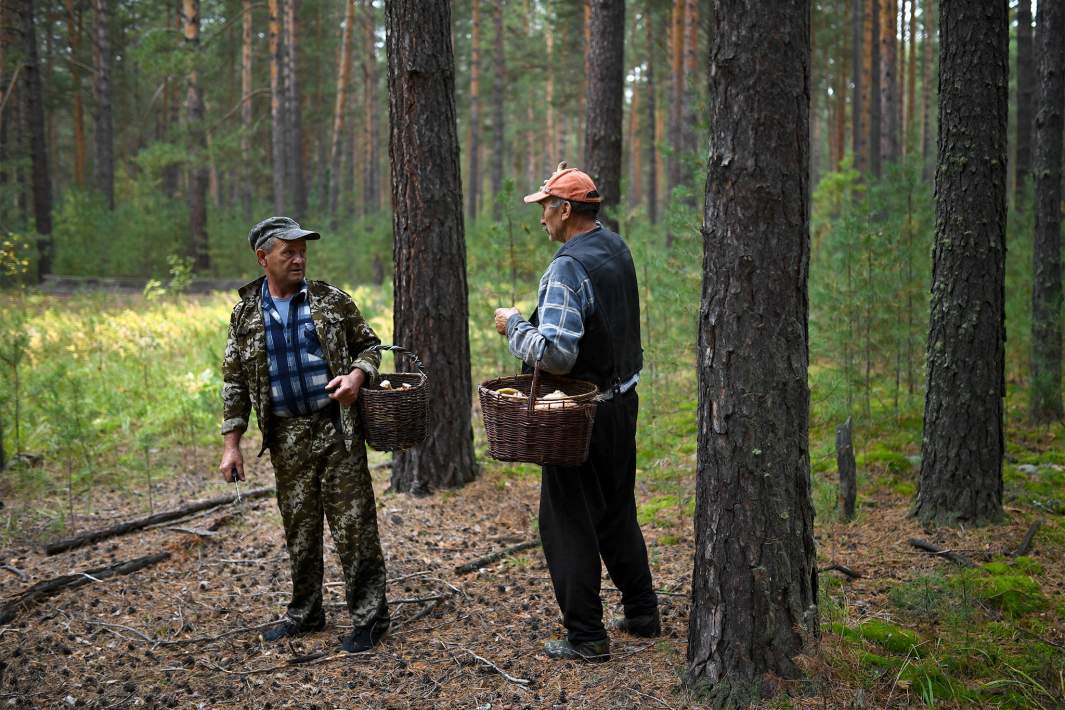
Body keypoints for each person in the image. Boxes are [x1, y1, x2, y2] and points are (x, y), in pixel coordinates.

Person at [493, 163, 659, 662]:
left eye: (545, 208)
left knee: (565, 521)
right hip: (622, 403)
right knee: (616, 510)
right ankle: (642, 613)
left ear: (566, 210)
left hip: (578, 417)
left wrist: (515, 326)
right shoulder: (616, 246)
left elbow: (559, 354)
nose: (541, 218)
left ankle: (586, 636)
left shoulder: (567, 267)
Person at [219, 216, 389, 653]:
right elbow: (235, 380)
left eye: (302, 251)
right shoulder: (243, 314)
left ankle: (370, 619)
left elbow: (370, 346)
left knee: (355, 527)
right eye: (288, 252)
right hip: (286, 438)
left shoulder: (331, 301)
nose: (299, 259)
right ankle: (306, 613)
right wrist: (231, 445)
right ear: (263, 258)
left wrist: (356, 377)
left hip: (336, 429)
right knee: (300, 527)